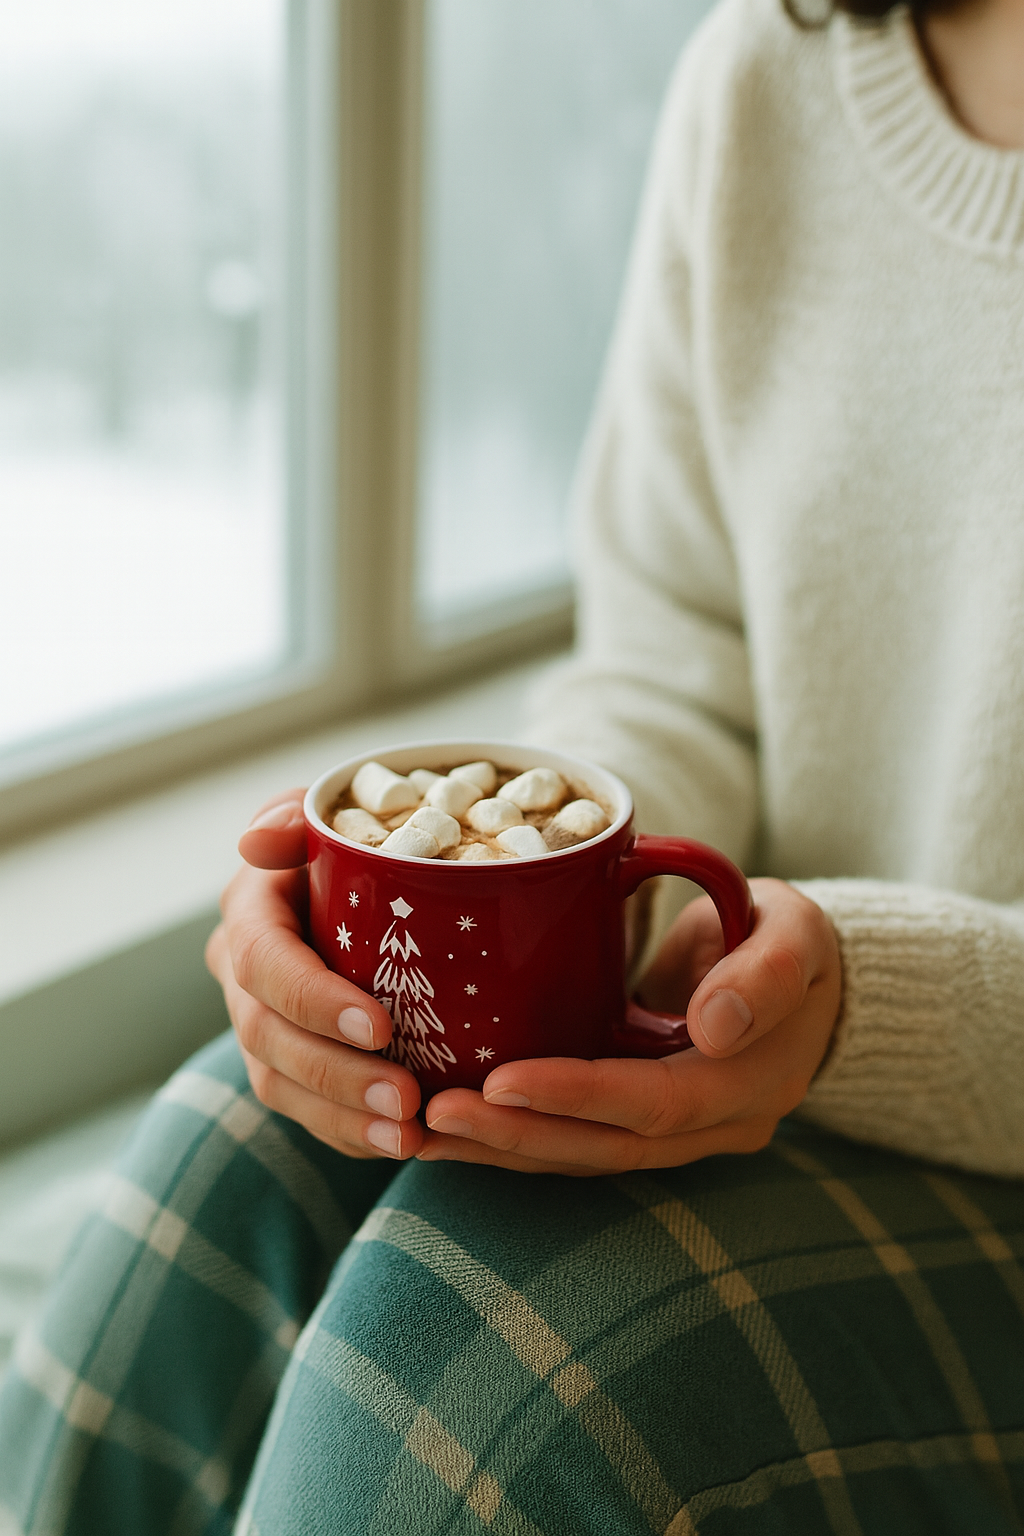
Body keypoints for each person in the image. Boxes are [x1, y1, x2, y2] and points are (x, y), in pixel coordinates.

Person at [1, 0, 1022, 1527]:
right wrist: (498, 902)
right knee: (229, 1158)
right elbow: (681, 654)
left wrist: (860, 1009)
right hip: (780, 1065)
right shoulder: (771, 79)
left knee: (471, 1368)